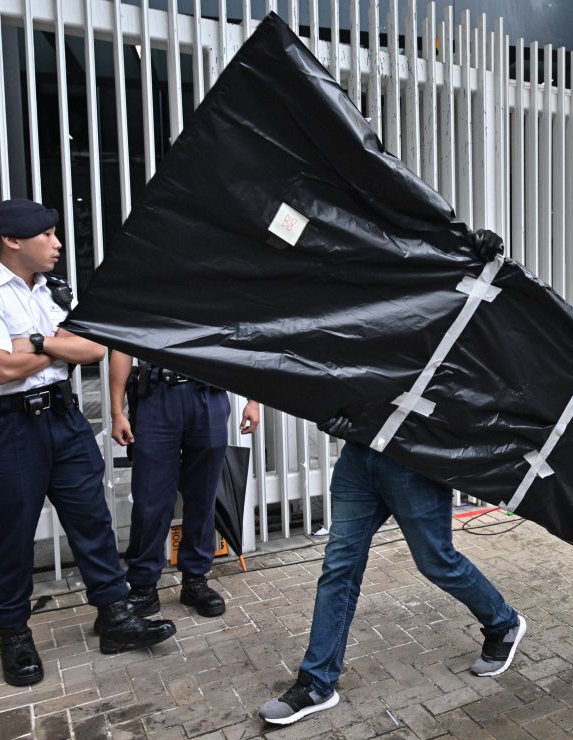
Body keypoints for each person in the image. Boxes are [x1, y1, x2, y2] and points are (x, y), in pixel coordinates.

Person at [259, 231, 525, 726]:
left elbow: (494, 321)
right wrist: (331, 414)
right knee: (339, 566)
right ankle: (317, 682)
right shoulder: (360, 296)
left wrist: (487, 255)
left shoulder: (442, 296)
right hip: (360, 457)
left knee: (437, 561)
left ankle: (504, 623)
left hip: (415, 457)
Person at [0, 199, 176, 688]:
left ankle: (114, 617)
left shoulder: (55, 289)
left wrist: (30, 342)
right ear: (12, 241)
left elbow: (95, 347)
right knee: (12, 534)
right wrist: (53, 342)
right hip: (9, 428)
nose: (57, 244)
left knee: (92, 519)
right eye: (47, 235)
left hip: (63, 417)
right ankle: (12, 633)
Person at [108, 353, 259, 618]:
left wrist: (253, 399)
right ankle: (143, 585)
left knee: (203, 497)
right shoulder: (145, 307)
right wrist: (116, 411)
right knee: (150, 498)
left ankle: (195, 579)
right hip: (157, 396)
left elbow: (240, 336)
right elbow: (121, 349)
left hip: (208, 394)